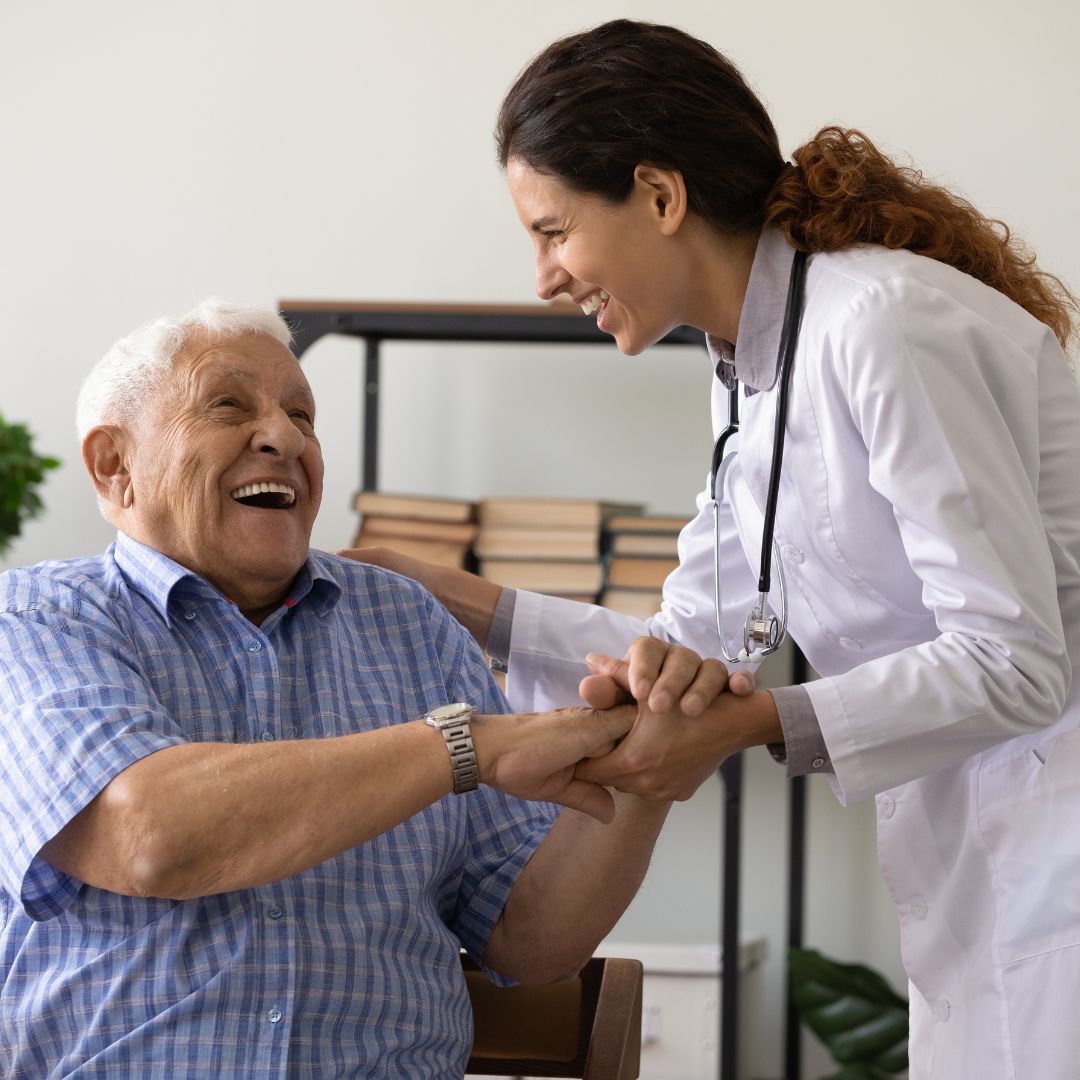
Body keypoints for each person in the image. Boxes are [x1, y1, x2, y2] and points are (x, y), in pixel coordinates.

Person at [347, 19, 1080, 1079]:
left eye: (552, 231)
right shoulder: (747, 369)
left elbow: (1016, 660)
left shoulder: (880, 322)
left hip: (1052, 833)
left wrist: (751, 727)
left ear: (659, 194)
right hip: (979, 846)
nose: (545, 277)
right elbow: (692, 636)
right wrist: (447, 597)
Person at [0, 298, 675, 1079]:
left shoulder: (408, 622)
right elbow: (151, 835)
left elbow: (530, 940)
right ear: (114, 465)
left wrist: (648, 761)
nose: (284, 437)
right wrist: (463, 745)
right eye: (228, 404)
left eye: (302, 415)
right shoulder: (36, 619)